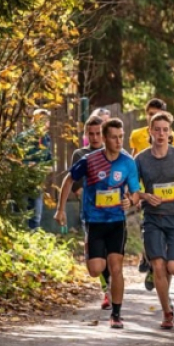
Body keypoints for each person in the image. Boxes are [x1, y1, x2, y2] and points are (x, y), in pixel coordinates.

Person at [54, 118, 140, 328]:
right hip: (94, 220)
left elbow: (136, 193)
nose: (119, 141)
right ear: (104, 138)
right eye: (114, 137)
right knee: (95, 269)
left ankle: (117, 314)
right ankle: (92, 255)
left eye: (121, 137)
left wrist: (131, 200)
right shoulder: (91, 160)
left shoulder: (128, 162)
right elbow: (69, 179)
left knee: (116, 266)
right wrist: (60, 208)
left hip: (116, 221)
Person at [135, 111, 174, 329]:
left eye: (165, 130)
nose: (161, 134)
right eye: (157, 129)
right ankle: (167, 311)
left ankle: (159, 281)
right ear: (150, 131)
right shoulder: (141, 159)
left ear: (170, 133)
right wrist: (143, 196)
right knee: (160, 266)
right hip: (152, 218)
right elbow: (132, 188)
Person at [129, 98, 174, 286]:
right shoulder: (137, 135)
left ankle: (157, 265)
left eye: (156, 113)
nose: (153, 116)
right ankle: (148, 258)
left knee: (166, 241)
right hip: (148, 186)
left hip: (169, 192)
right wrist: (139, 194)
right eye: (150, 114)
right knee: (149, 228)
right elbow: (134, 159)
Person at [70, 115, 112, 310]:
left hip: (113, 212)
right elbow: (75, 185)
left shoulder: (113, 153)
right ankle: (106, 290)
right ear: (86, 134)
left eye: (98, 133)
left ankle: (111, 289)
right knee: (97, 255)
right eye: (91, 133)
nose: (95, 137)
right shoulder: (80, 154)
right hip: (91, 212)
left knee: (111, 253)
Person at [16, 108, 52, 230]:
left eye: (46, 120)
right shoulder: (23, 138)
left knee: (36, 214)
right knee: (21, 212)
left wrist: (47, 167)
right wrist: (27, 165)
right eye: (40, 120)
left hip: (37, 182)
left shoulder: (46, 139)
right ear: (33, 121)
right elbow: (13, 158)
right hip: (22, 181)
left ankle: (34, 236)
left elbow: (49, 159)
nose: (43, 123)